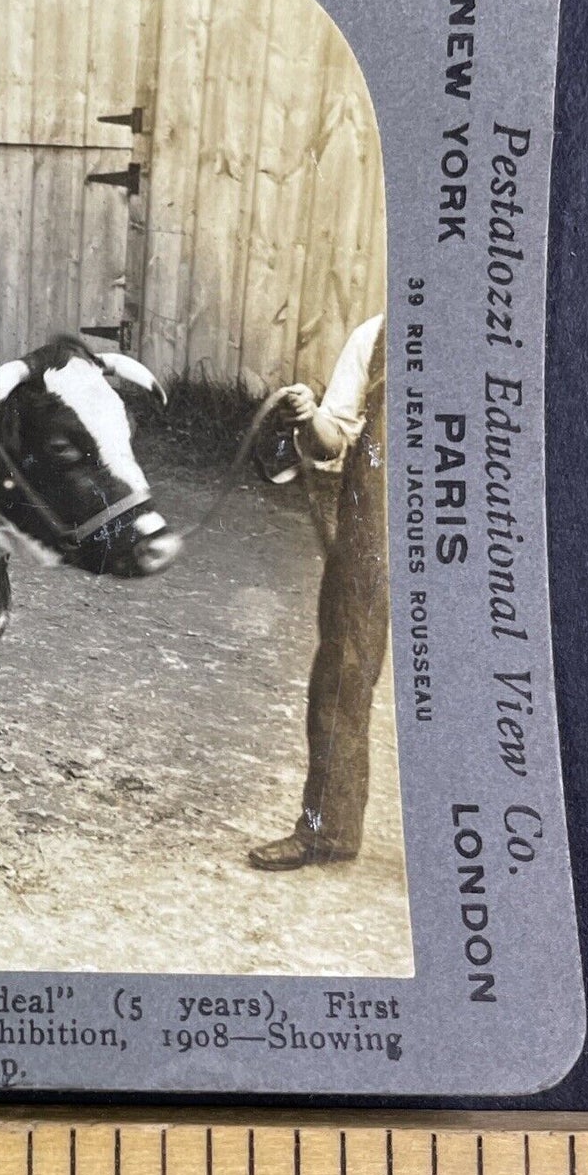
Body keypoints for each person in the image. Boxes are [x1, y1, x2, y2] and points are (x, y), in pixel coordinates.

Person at [249, 312, 387, 871]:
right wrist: (309, 416)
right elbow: (334, 439)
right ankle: (327, 829)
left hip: (481, 541)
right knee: (341, 672)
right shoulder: (376, 335)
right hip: (373, 525)